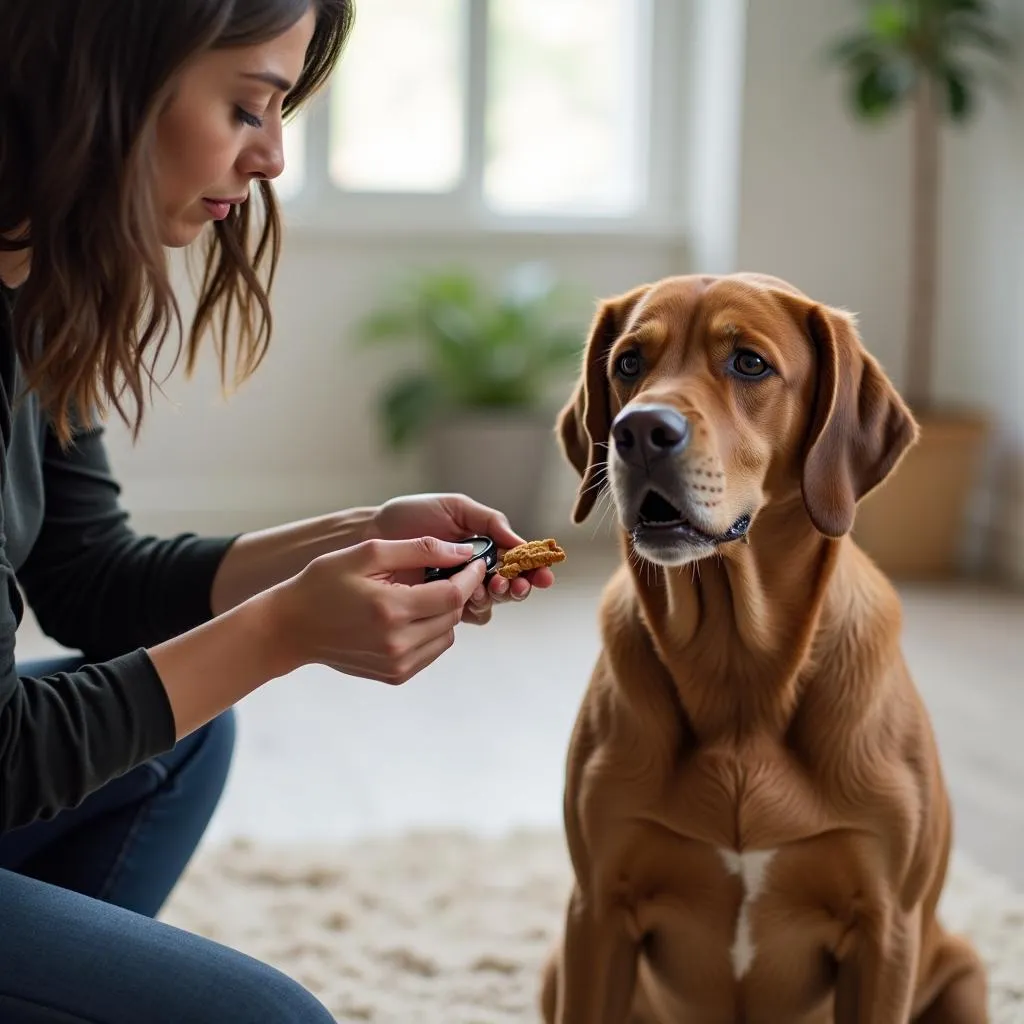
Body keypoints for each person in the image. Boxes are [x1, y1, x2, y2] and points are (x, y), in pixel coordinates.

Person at [0, 1, 557, 1020]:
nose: (272, 158)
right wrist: (288, 628)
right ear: (106, 71)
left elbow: (87, 576)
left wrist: (359, 536)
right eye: (249, 106)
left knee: (180, 739)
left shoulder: (32, 289)